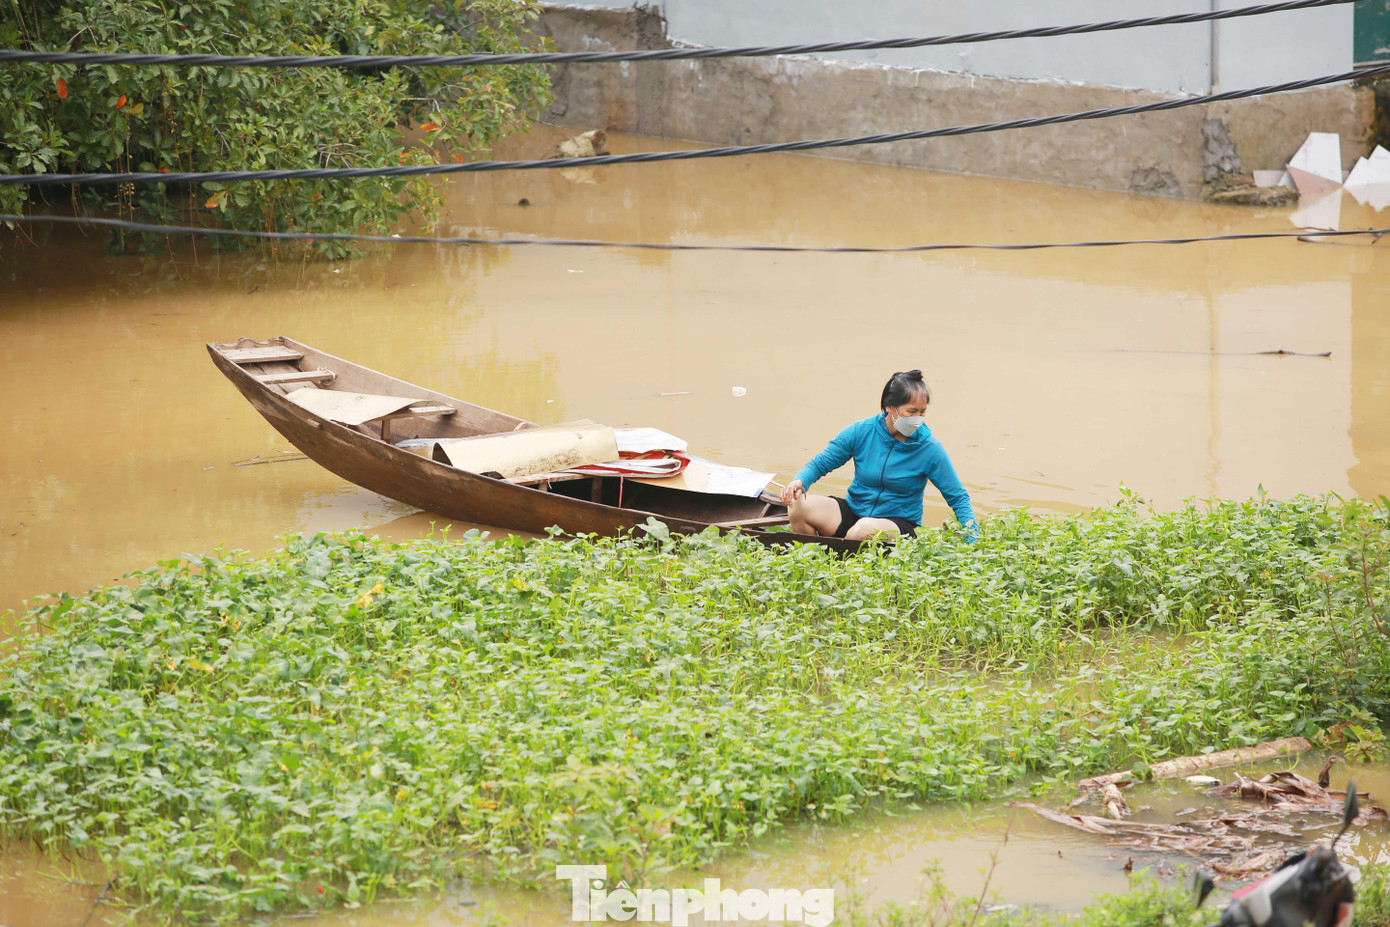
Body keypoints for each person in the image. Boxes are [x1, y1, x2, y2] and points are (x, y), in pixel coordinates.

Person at [780, 370, 976, 541]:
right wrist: (799, 482)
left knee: (863, 530)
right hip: (854, 511)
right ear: (890, 407)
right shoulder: (861, 431)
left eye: (923, 412)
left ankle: (843, 559)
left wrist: (972, 540)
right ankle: (811, 557)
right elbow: (820, 464)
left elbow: (958, 498)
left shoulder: (930, 448)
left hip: (898, 524)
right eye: (912, 411)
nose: (918, 418)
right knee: (798, 504)